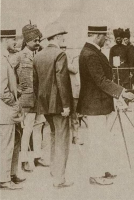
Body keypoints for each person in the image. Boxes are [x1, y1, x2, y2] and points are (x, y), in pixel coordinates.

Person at [76, 25, 134, 185]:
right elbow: (101, 80)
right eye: (104, 36)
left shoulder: (91, 51)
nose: (106, 39)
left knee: (101, 138)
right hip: (95, 105)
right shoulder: (90, 54)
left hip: (98, 104)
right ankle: (95, 175)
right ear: (96, 35)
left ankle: (102, 170)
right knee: (97, 140)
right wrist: (122, 92)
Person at [33, 22, 73, 188]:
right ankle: (59, 178)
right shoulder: (60, 54)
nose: (64, 37)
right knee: (62, 140)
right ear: (56, 37)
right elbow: (62, 81)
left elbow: (36, 84)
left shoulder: (38, 56)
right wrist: (66, 105)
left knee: (53, 136)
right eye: (62, 35)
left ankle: (54, 171)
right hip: (59, 105)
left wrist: (42, 102)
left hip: (45, 106)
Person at [16, 24, 47, 172]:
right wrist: (16, 87)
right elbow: (9, 73)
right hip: (27, 100)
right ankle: (24, 160)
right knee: (26, 129)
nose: (38, 43)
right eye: (35, 40)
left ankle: (37, 156)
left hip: (38, 99)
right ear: (27, 41)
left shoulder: (37, 54)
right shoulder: (20, 55)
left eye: (38, 40)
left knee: (38, 127)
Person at [0, 29, 24, 190]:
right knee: (6, 145)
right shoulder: (2, 59)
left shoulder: (6, 58)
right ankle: (4, 179)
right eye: (12, 39)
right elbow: (2, 89)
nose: (15, 42)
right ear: (4, 39)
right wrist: (14, 103)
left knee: (15, 141)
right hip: (5, 110)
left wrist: (18, 90)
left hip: (8, 110)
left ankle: (11, 174)